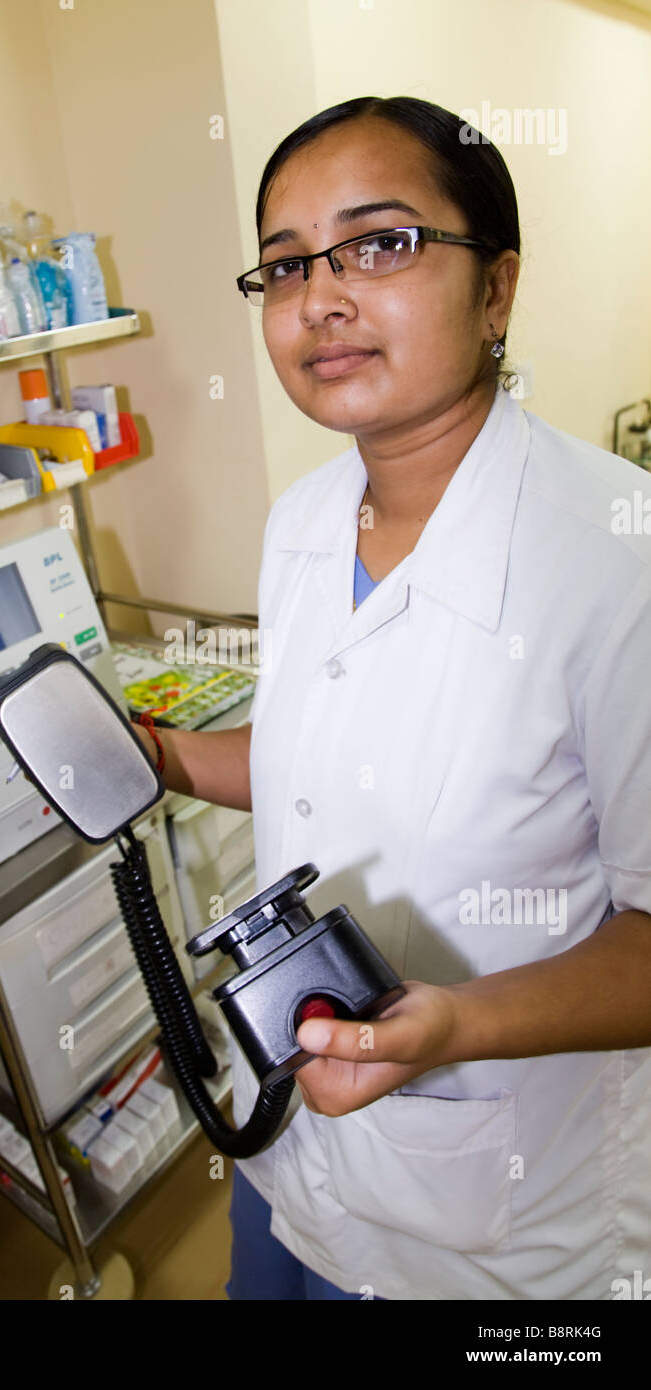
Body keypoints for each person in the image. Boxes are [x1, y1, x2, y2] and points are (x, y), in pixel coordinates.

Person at [131, 95, 651, 1301]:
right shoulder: (305, 522)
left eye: (380, 243)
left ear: (497, 288)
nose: (318, 296)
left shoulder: (617, 561)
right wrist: (155, 755)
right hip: (298, 1145)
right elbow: (319, 750)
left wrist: (452, 1024)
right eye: (281, 264)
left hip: (499, 1219)